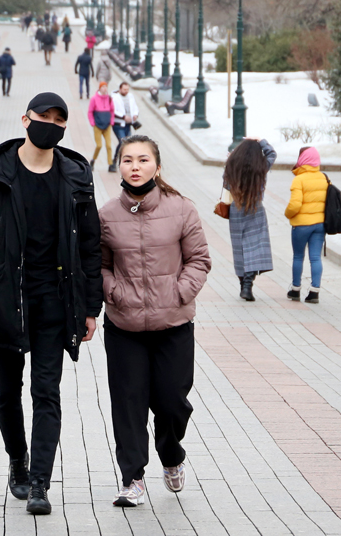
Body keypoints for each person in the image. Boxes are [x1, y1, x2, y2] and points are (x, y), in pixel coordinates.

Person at [0, 92, 102, 516]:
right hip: (4, 303)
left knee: (47, 393)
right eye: (44, 117)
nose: (51, 124)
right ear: (25, 119)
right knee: (6, 392)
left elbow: (91, 247)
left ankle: (39, 481)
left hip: (55, 303)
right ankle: (17, 461)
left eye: (60, 119)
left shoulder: (76, 176)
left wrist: (91, 307)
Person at [99, 134, 211, 507]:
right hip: (124, 326)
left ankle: (172, 454)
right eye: (128, 160)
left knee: (172, 402)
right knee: (128, 403)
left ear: (157, 167)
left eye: (143, 160)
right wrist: (113, 292)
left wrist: (180, 293)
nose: (135, 166)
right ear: (120, 166)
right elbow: (97, 265)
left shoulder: (182, 209)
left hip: (173, 324)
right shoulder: (106, 215)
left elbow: (199, 259)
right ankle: (132, 478)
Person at [223, 138, 277, 301]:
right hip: (255, 209)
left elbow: (226, 185)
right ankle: (248, 285)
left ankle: (243, 286)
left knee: (239, 249)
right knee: (255, 248)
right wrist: (261, 141)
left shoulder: (231, 168)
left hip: (236, 210)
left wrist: (230, 160)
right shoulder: (261, 168)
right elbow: (272, 154)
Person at [284, 147, 328, 304]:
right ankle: (314, 292)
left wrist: (287, 213)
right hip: (319, 224)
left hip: (302, 225)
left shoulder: (299, 179)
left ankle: (295, 290)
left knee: (298, 256)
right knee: (315, 257)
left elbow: (295, 205)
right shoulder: (323, 178)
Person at [86, 82, 115, 172]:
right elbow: (90, 111)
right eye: (103, 87)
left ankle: (110, 164)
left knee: (109, 145)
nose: (104, 89)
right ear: (99, 88)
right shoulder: (94, 99)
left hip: (107, 125)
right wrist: (92, 122)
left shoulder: (109, 98)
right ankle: (93, 160)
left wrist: (111, 121)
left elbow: (112, 111)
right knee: (99, 145)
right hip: (98, 125)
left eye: (106, 87)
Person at [110, 82, 138, 167]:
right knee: (122, 142)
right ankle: (115, 160)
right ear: (120, 89)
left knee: (129, 143)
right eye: (124, 89)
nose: (126, 91)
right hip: (118, 124)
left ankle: (125, 161)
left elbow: (135, 107)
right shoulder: (115, 98)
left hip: (128, 124)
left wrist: (135, 114)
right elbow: (113, 110)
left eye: (127, 89)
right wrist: (123, 116)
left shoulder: (130, 96)